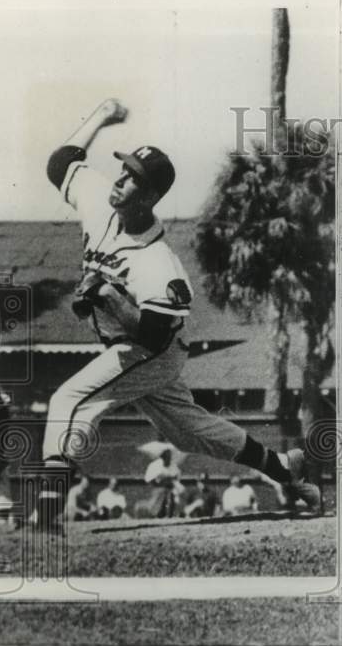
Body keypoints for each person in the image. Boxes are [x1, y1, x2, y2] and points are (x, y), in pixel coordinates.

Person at [34, 98, 317, 532]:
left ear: (149, 197)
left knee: (69, 400)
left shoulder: (157, 261)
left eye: (132, 179)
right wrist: (101, 117)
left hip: (155, 348)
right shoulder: (97, 200)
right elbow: (61, 162)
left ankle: (48, 512)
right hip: (133, 346)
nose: (121, 180)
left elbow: (150, 335)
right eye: (123, 170)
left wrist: (107, 294)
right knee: (189, 431)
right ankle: (284, 469)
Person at [144, 450, 182, 517]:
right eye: (167, 457)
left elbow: (177, 477)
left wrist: (171, 479)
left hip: (171, 489)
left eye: (170, 457)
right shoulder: (155, 465)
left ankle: (170, 515)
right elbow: (150, 480)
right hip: (157, 489)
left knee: (173, 495)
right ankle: (159, 514)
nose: (169, 459)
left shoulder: (173, 466)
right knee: (162, 495)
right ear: (162, 457)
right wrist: (161, 482)